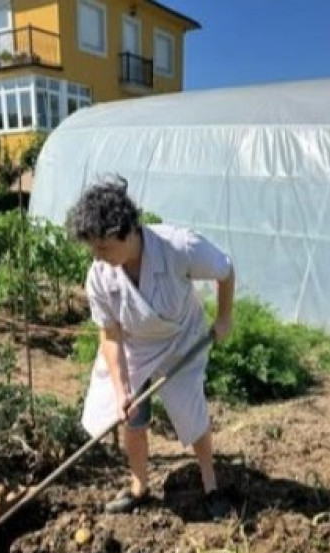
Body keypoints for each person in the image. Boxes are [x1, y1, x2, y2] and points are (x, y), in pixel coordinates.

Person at [66, 176, 235, 520]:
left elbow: (225, 270)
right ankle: (138, 486)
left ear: (127, 232)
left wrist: (224, 319)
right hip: (133, 346)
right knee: (130, 415)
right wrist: (122, 389)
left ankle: (211, 485)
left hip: (180, 340)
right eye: (93, 249)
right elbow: (110, 336)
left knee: (191, 414)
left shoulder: (179, 246)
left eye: (103, 246)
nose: (97, 256)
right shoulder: (100, 274)